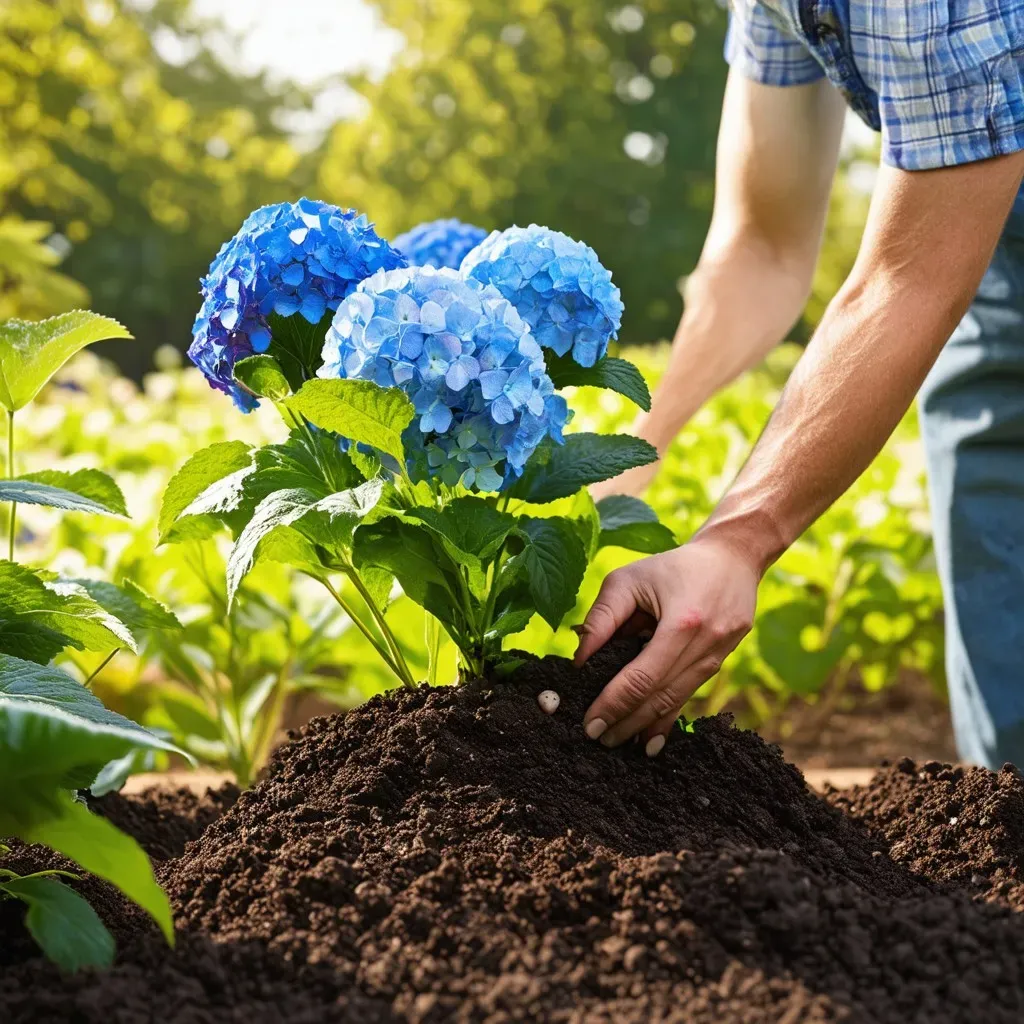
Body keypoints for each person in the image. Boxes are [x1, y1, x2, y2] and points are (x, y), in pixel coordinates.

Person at [576, 0, 1024, 766]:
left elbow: (909, 277)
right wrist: (634, 451)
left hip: (951, 226)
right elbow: (763, 247)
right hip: (983, 234)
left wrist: (736, 541)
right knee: (992, 522)